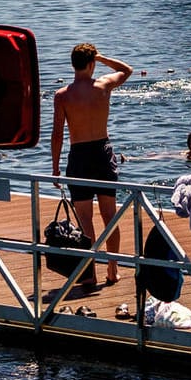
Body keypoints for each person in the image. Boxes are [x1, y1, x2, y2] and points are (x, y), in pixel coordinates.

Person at [51, 42, 132, 287]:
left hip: (79, 155)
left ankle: (89, 273)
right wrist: (103, 57)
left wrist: (55, 168)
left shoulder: (62, 95)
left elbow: (57, 134)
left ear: (72, 64)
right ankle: (112, 269)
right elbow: (127, 70)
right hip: (102, 152)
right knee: (109, 214)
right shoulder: (103, 85)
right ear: (92, 63)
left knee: (85, 219)